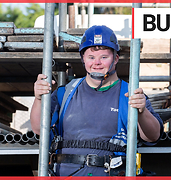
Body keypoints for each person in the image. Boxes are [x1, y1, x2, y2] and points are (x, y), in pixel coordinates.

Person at [30, 25, 163, 176]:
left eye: (104, 57)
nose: (97, 63)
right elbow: (38, 128)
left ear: (116, 58)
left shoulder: (130, 94)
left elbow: (153, 136)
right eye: (91, 57)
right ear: (83, 59)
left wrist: (142, 112)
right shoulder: (65, 92)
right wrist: (39, 99)